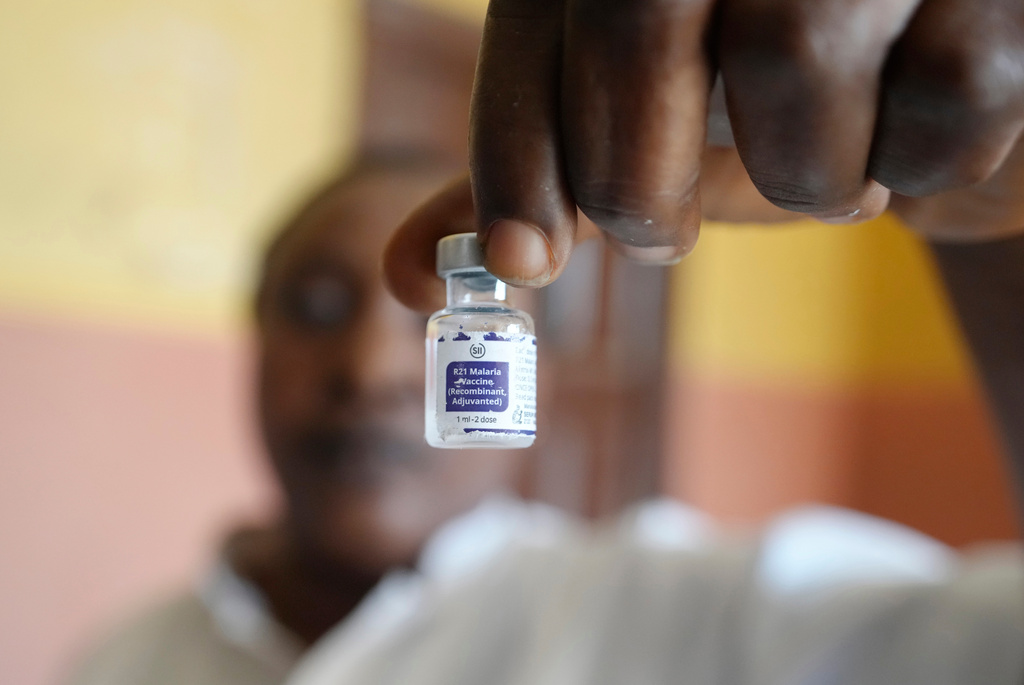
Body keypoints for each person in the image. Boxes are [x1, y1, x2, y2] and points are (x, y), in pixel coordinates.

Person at [64, 151, 551, 685]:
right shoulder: (125, 664)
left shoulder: (635, 606)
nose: (370, 371)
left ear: (539, 368)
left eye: (436, 319)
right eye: (319, 308)